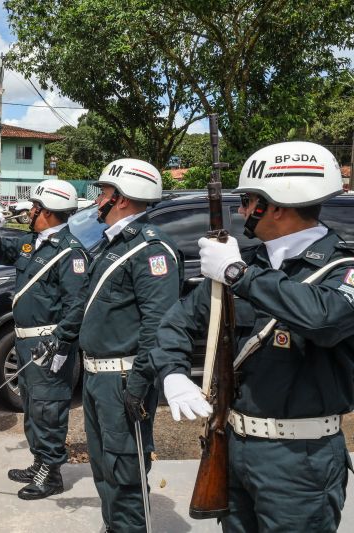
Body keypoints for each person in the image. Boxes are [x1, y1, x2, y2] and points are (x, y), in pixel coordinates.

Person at [151, 141, 354, 532]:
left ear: (275, 206)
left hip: (301, 460)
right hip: (235, 445)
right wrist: (173, 374)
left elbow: (324, 319)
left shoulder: (341, 268)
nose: (242, 210)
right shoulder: (248, 264)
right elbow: (175, 323)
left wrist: (238, 276)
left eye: (248, 200)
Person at [79, 160, 181, 531]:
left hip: (123, 379)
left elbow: (159, 324)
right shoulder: (113, 244)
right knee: (104, 467)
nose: (98, 201)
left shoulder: (150, 249)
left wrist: (139, 384)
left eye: (103, 194)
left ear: (120, 199)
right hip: (97, 378)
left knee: (125, 474)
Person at [0, 179, 89, 500]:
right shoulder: (34, 243)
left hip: (49, 342)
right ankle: (39, 460)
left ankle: (51, 473)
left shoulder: (71, 253)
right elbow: (0, 251)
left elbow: (76, 305)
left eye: (36, 208)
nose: (31, 213)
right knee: (31, 403)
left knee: (49, 406)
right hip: (25, 341)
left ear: (51, 212)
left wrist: (62, 342)